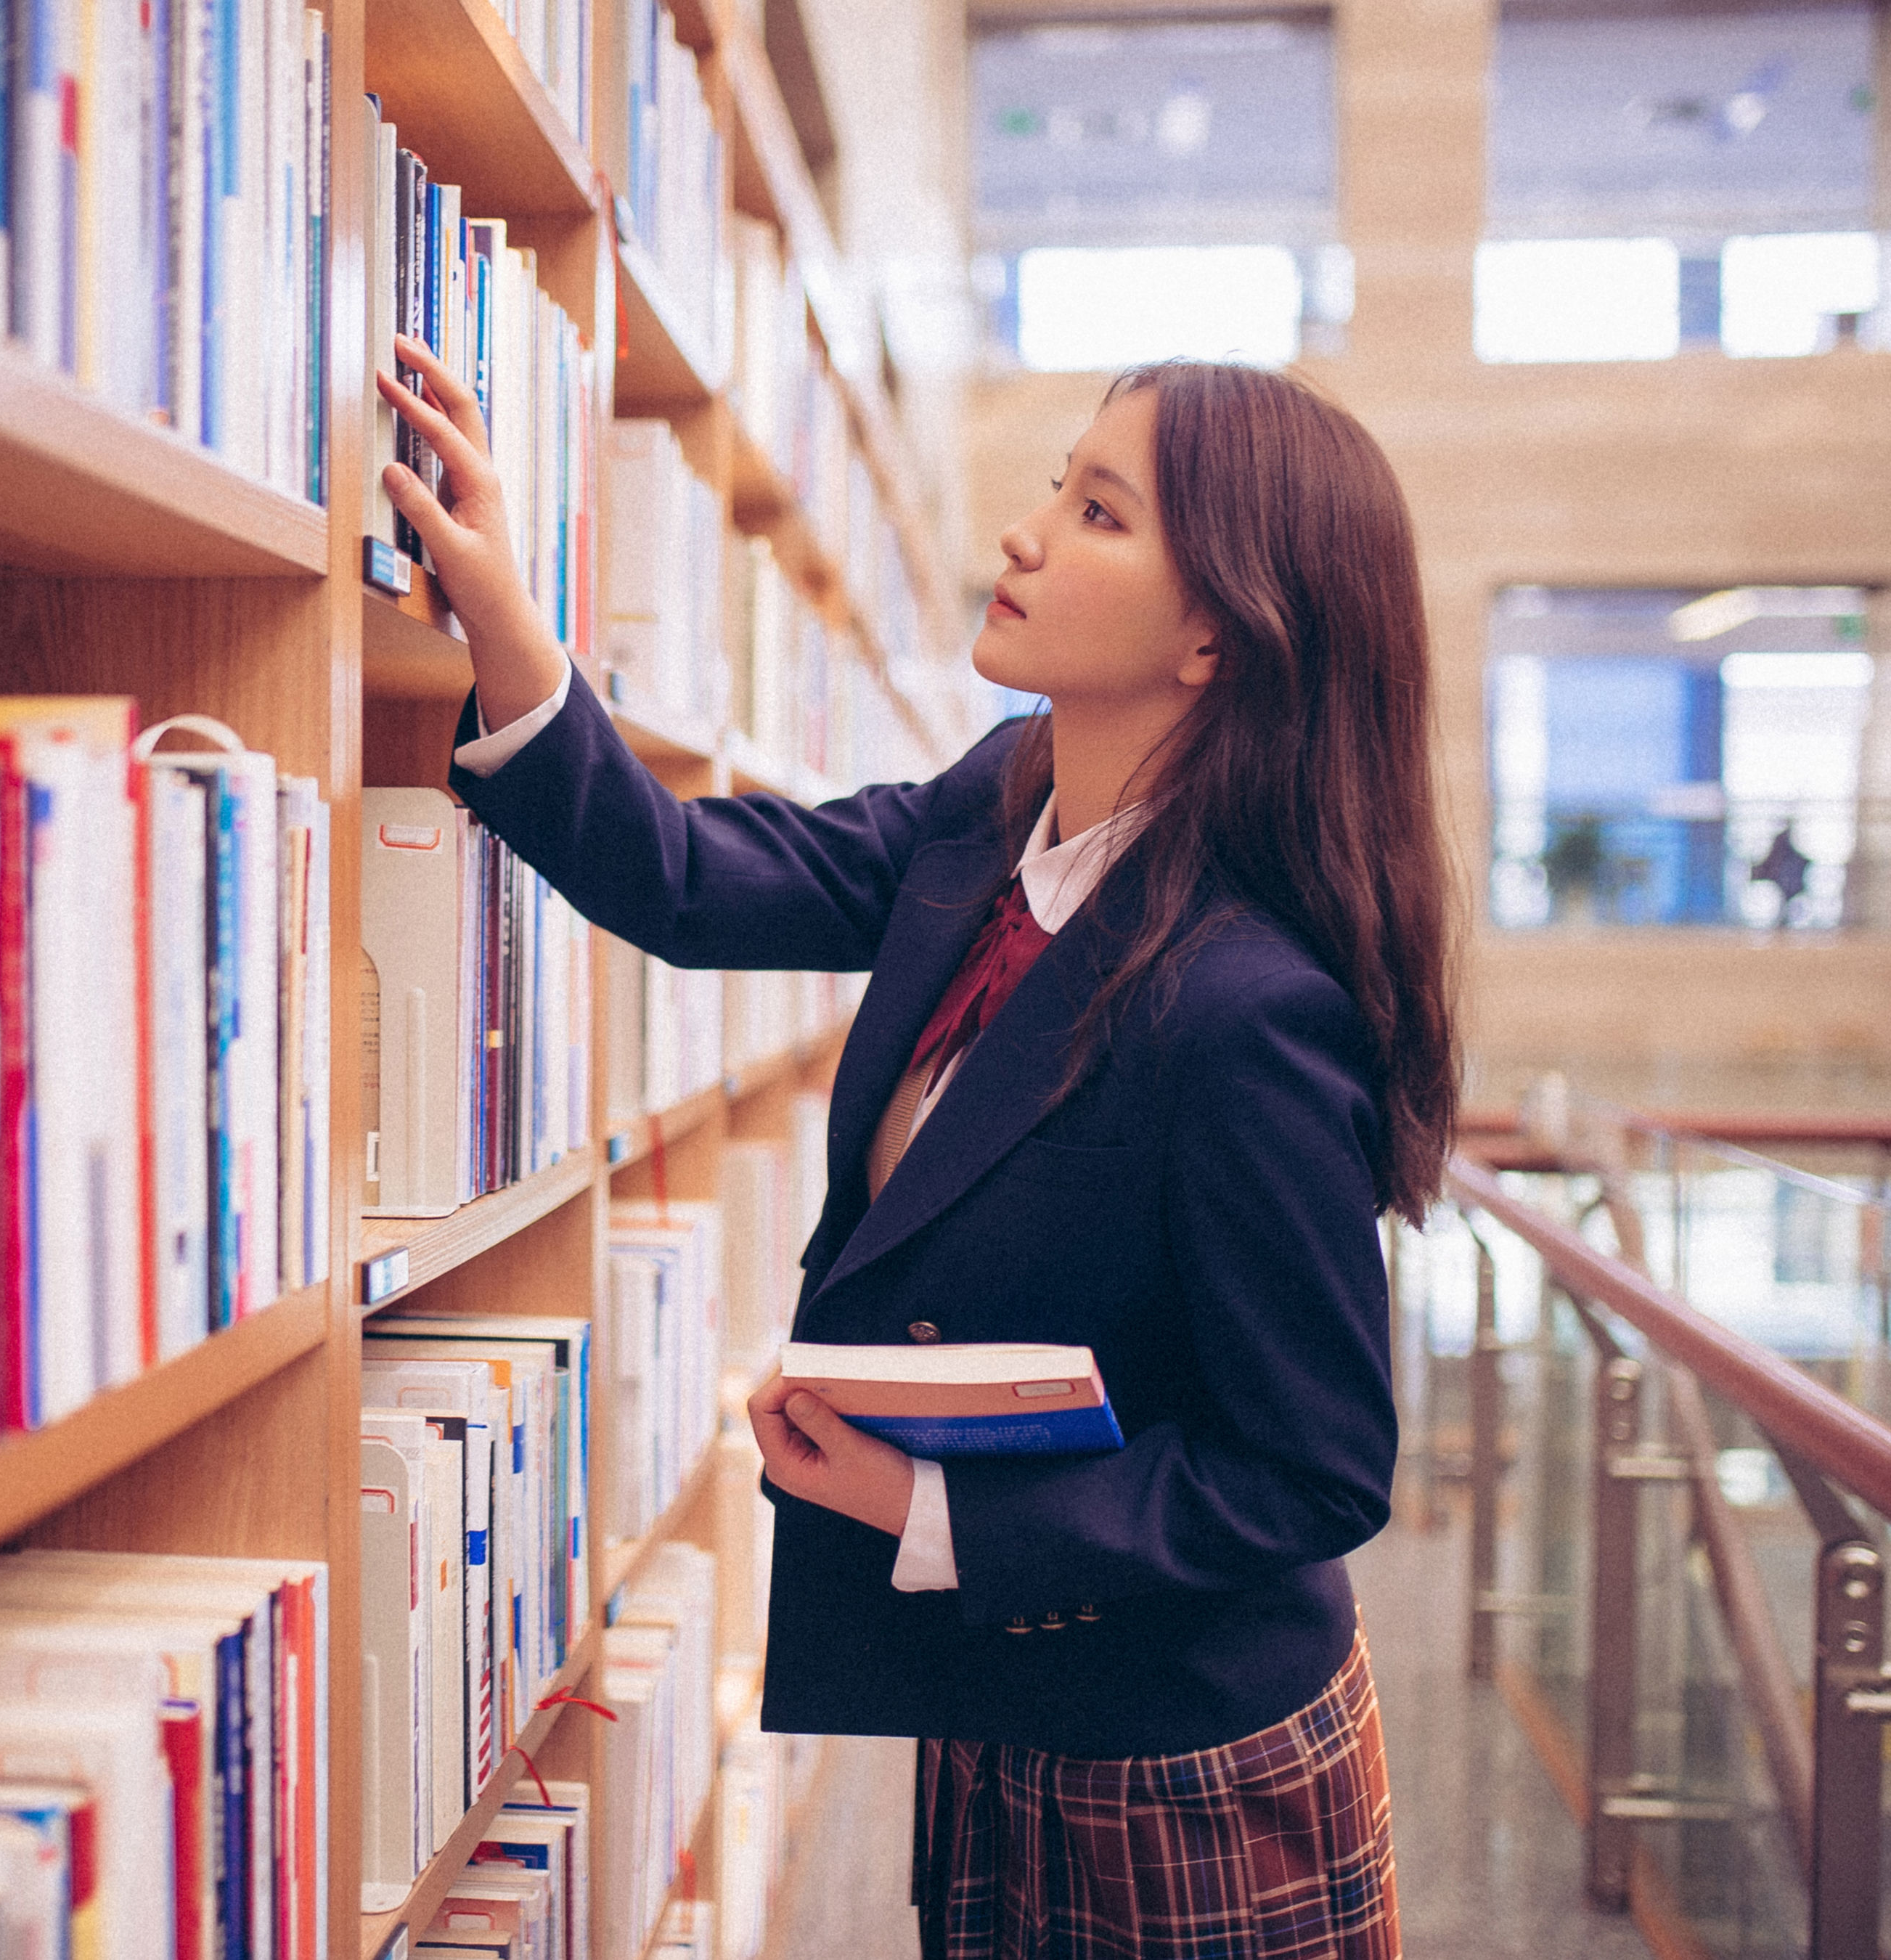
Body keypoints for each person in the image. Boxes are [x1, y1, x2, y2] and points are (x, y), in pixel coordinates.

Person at [377, 336, 1456, 1960]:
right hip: (1001, 1695)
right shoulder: (1001, 801)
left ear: (1218, 636)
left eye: (1098, 513)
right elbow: (691, 879)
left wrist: (927, 1511)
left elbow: (1310, 1468)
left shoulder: (1246, 1009)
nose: (1025, 535)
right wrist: (507, 625)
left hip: (1185, 1752)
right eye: (1056, 490)